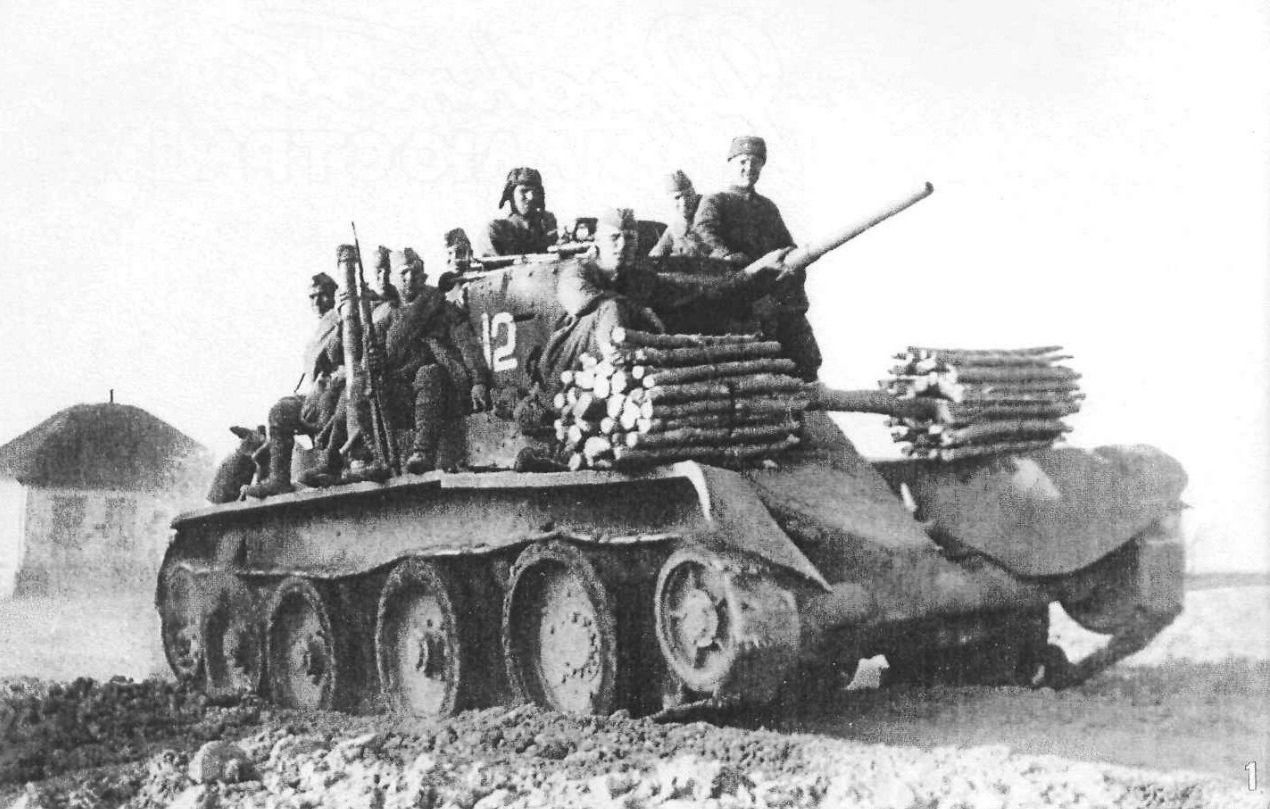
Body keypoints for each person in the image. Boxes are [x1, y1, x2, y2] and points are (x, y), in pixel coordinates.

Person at [538, 208, 790, 389]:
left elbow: (697, 289)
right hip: (566, 363)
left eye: (630, 238)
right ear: (598, 242)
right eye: (614, 238)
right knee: (611, 308)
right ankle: (618, 374)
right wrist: (639, 309)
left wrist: (755, 270)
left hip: (610, 375)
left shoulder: (639, 278)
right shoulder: (577, 271)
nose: (622, 245)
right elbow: (581, 301)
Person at [692, 135, 820, 381]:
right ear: (730, 163)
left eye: (755, 162)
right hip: (735, 293)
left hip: (772, 293)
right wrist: (733, 260)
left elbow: (786, 245)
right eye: (742, 161)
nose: (748, 168)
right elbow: (705, 234)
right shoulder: (716, 201)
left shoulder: (767, 208)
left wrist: (792, 263)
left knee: (803, 356)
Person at [372, 248, 491, 473]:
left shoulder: (440, 308)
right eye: (403, 272)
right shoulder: (386, 317)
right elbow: (373, 358)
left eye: (415, 271)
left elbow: (467, 345)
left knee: (428, 373)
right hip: (404, 394)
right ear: (394, 279)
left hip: (443, 391)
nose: (410, 278)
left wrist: (479, 381)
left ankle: (423, 452)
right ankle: (371, 457)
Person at [243, 269, 347, 498]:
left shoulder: (343, 319)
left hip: (338, 394)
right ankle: (279, 479)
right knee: (281, 410)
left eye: (323, 295)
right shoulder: (319, 329)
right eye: (312, 297)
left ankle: (333, 465)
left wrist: (326, 388)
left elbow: (348, 362)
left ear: (334, 294)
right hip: (317, 396)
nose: (317, 302)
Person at [479, 167, 559, 256]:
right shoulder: (498, 230)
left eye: (535, 192)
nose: (531, 197)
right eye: (524, 191)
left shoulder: (547, 224)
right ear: (511, 195)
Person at [648, 170, 706, 258]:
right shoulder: (675, 228)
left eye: (688, 195)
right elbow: (655, 256)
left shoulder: (709, 213)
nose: (684, 202)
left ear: (694, 193)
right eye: (677, 198)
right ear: (670, 201)